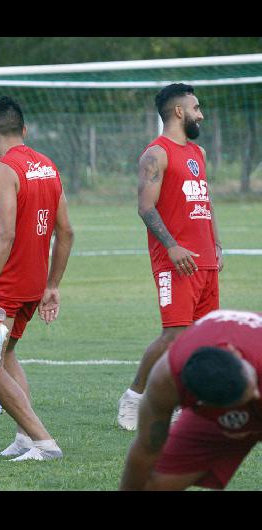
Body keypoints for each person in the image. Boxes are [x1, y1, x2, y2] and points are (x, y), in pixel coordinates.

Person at [0, 96, 74, 461]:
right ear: (24, 130)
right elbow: (67, 231)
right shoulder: (48, 166)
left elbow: (5, 234)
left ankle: (43, 441)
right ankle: (25, 439)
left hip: (7, 283)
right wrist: (53, 286)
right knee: (7, 354)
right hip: (33, 282)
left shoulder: (1, 169)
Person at [117, 83, 223, 431]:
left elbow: (204, 204)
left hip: (205, 260)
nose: (200, 114)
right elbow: (145, 208)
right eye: (196, 107)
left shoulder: (199, 153)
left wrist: (217, 245)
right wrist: (173, 246)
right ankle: (134, 396)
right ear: (179, 112)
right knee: (175, 335)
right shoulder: (156, 154)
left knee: (202, 338)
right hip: (174, 262)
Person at [119, 309, 261, 490]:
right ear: (197, 401)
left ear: (235, 353)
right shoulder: (167, 378)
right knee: (157, 485)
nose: (256, 394)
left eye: (252, 385)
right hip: (215, 408)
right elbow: (147, 448)